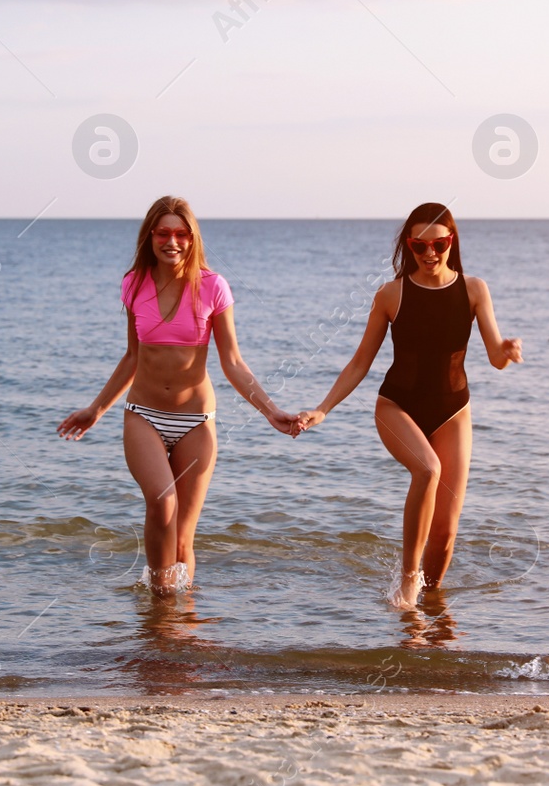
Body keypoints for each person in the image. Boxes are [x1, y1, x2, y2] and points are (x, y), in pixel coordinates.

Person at [58, 196, 299, 595]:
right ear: (150, 236)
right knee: (162, 501)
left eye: (181, 234)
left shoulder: (213, 287)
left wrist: (270, 411)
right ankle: (159, 598)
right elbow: (132, 356)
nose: (172, 241)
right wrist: (96, 408)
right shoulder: (133, 283)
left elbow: (233, 362)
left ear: (192, 238)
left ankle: (178, 622)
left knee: (184, 538)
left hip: (196, 422)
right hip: (144, 415)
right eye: (164, 233)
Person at [298, 203, 522, 609]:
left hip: (453, 412)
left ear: (452, 242)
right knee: (428, 469)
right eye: (420, 246)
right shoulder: (391, 294)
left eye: (439, 243)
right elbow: (360, 361)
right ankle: (406, 581)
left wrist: (506, 351)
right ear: (409, 246)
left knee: (446, 533)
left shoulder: (474, 290)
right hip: (396, 406)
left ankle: (430, 612)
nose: (430, 253)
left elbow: (494, 356)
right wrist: (323, 409)